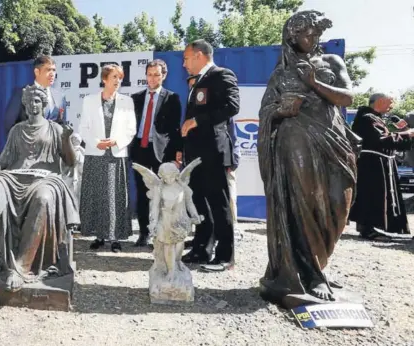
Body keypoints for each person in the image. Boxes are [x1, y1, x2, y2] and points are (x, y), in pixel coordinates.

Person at [257, 11, 358, 307]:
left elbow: (348, 98)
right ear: (292, 38)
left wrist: (314, 83)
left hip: (333, 140)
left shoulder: (332, 62)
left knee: (339, 203)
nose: (313, 40)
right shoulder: (281, 73)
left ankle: (317, 265)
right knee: (304, 203)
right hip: (296, 140)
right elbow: (266, 111)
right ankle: (310, 274)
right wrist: (281, 111)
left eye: (316, 34)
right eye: (307, 35)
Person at [0, 85, 78, 292]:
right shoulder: (17, 130)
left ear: (44, 104)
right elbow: (2, 160)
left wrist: (66, 140)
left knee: (43, 198)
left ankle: (21, 267)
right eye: (28, 102)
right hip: (15, 177)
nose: (32, 105)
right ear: (24, 106)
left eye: (36, 101)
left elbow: (70, 162)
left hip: (46, 178)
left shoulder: (54, 129)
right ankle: (0, 259)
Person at [177, 39, 240, 272]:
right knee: (199, 204)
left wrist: (197, 120)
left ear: (200, 55)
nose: (184, 64)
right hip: (195, 153)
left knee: (219, 204)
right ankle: (202, 249)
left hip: (214, 150)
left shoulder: (222, 75)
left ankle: (225, 256)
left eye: (186, 58)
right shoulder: (197, 81)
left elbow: (232, 106)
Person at [78, 64, 137, 252]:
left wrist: (116, 141)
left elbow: (131, 129)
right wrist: (97, 142)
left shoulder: (127, 102)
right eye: (114, 77)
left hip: (116, 155)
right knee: (96, 196)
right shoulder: (89, 101)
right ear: (104, 79)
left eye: (120, 77)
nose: (118, 81)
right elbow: (83, 129)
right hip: (96, 155)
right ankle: (99, 236)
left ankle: (116, 239)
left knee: (115, 198)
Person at [129, 59, 182, 248]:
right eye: (149, 74)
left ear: (164, 76)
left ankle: (161, 232)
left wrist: (178, 152)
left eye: (156, 74)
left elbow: (175, 129)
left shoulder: (172, 98)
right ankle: (144, 233)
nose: (152, 78)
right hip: (139, 150)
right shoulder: (135, 98)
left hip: (162, 152)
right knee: (142, 193)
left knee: (162, 194)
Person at [349, 93, 414, 240]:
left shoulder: (373, 118)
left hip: (379, 162)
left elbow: (388, 139)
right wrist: (406, 134)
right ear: (380, 101)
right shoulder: (367, 118)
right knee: (372, 195)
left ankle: (371, 227)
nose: (392, 106)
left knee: (376, 196)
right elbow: (381, 140)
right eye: (390, 103)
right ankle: (367, 229)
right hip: (372, 163)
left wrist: (403, 133)